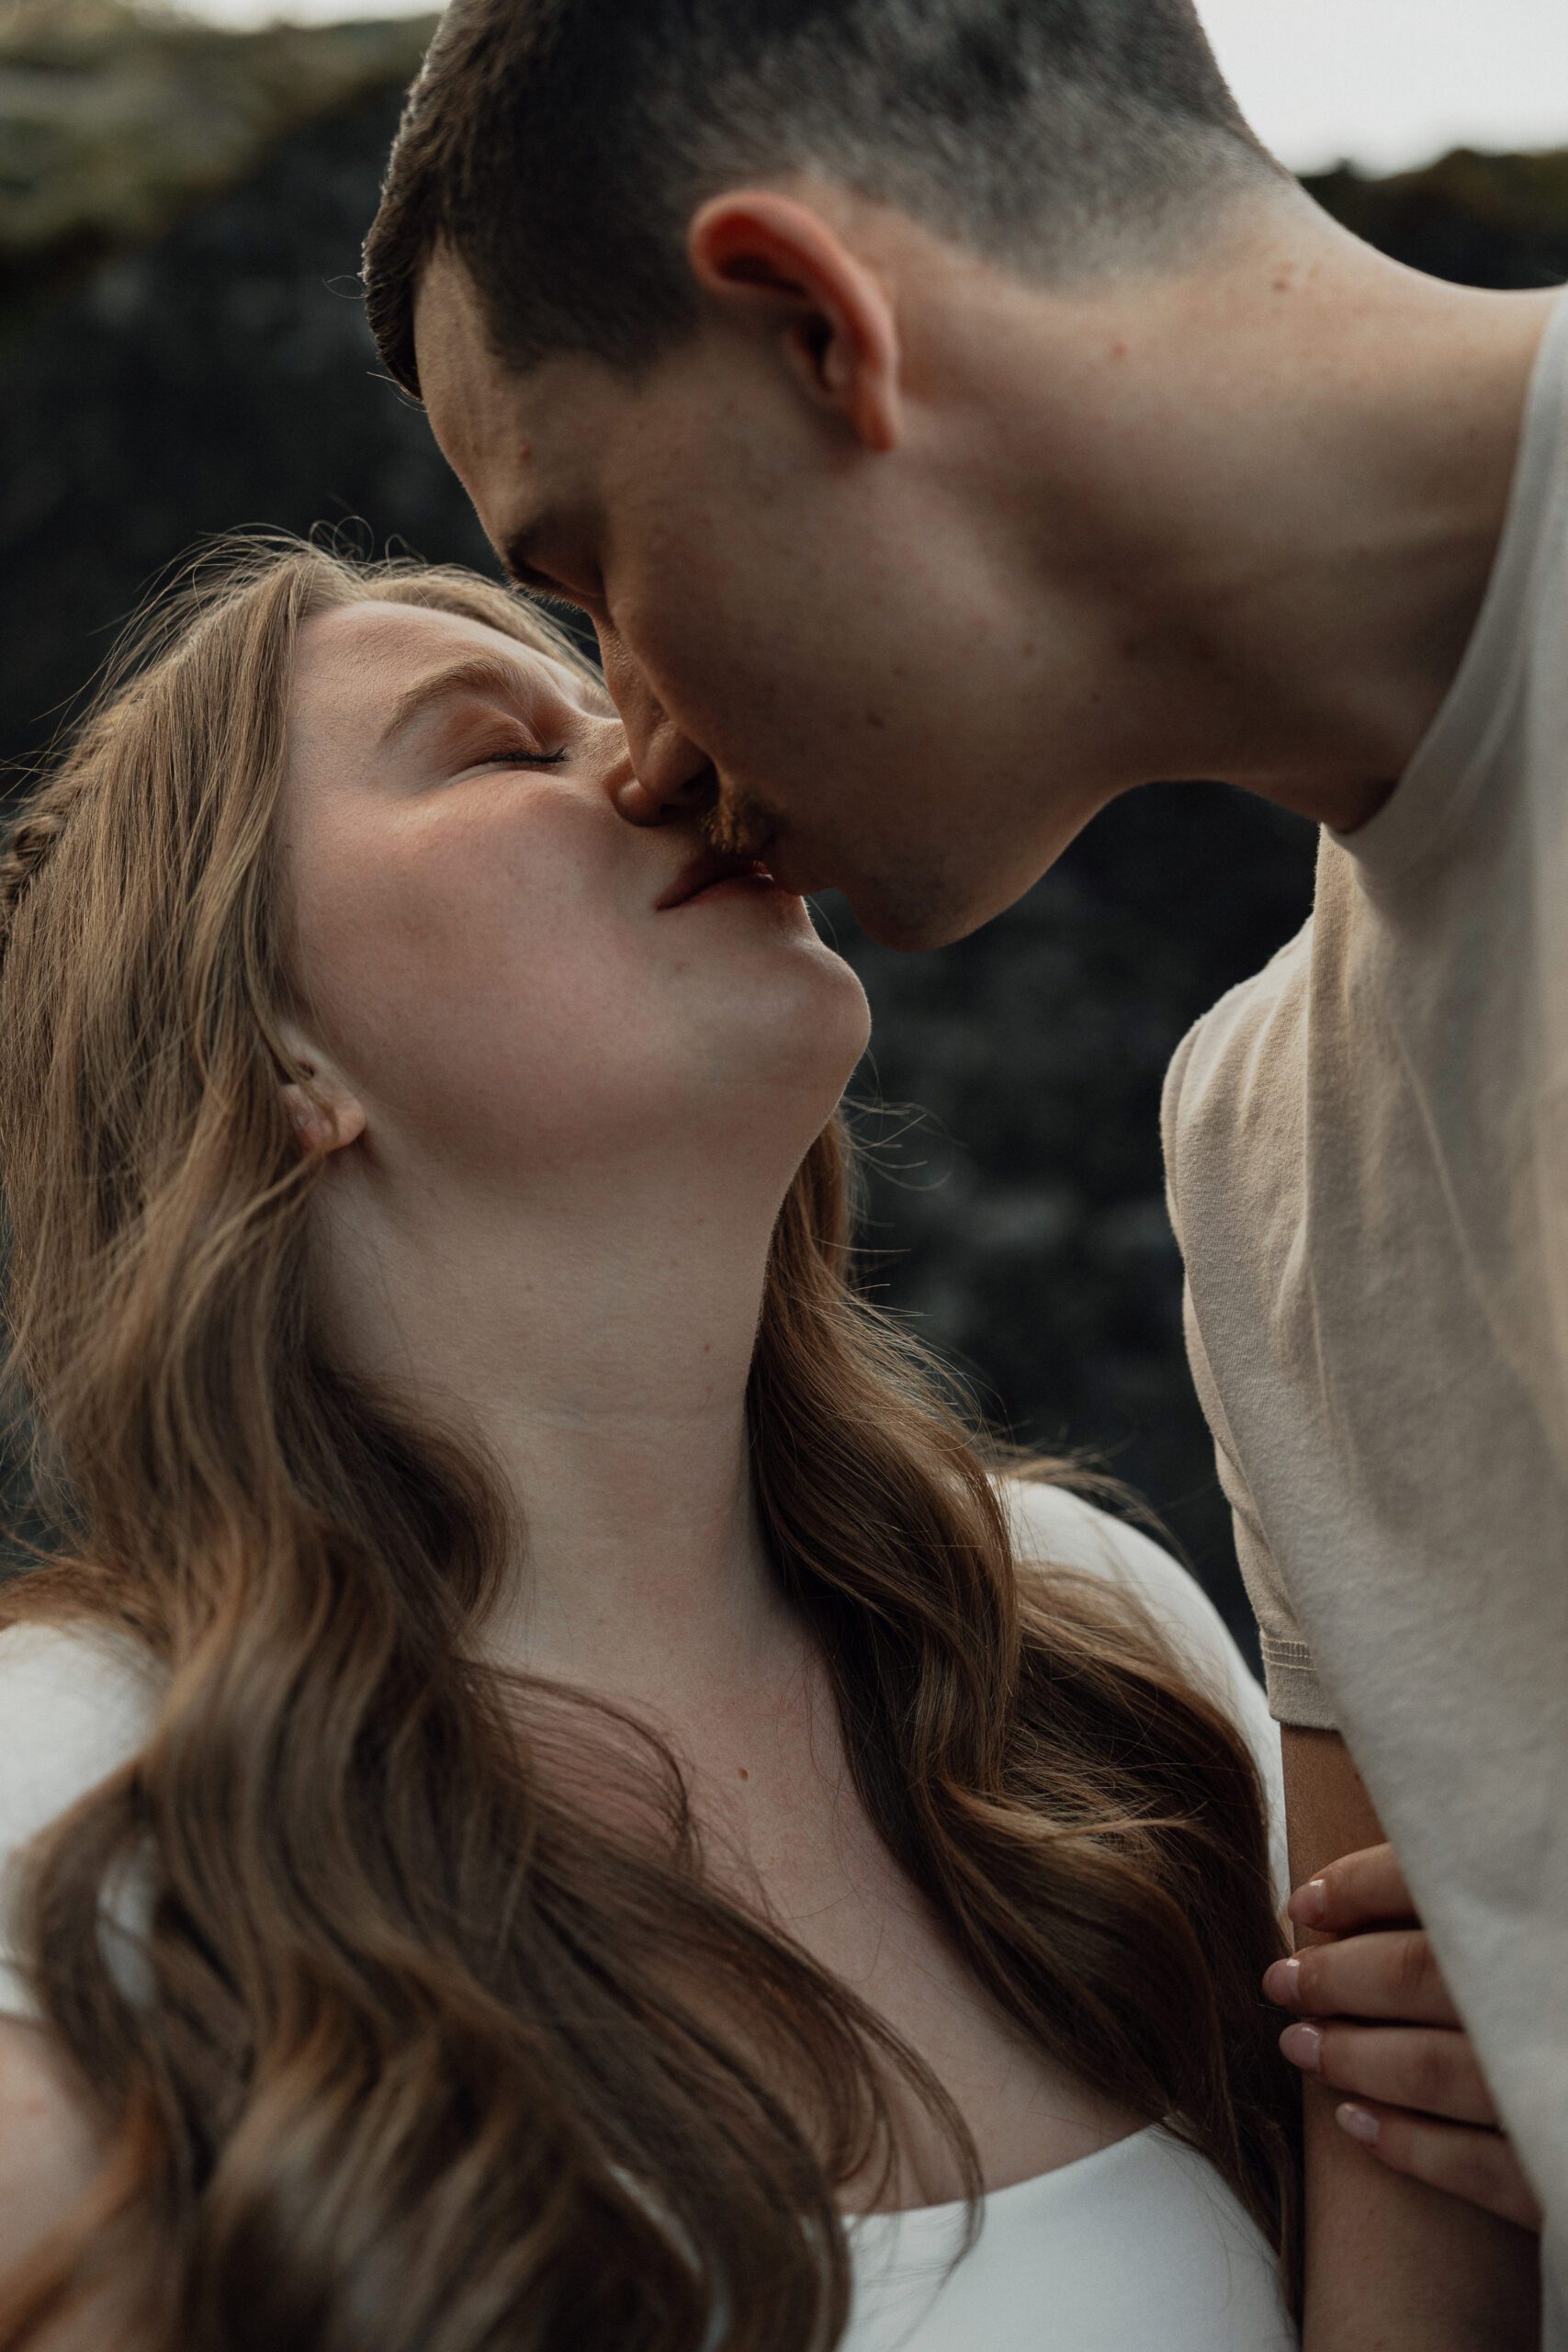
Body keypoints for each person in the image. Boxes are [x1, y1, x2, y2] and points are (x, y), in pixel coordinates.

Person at [359, 1, 1568, 2340]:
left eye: (585, 561)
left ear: (817, 328)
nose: (638, 747)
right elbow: (1423, 2216)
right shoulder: (1269, 1162)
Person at [0, 540, 1529, 2352]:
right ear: (269, 1046)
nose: (665, 751)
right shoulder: (78, 1791)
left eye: (620, 705)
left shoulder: (1082, 1643)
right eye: (498, 747)